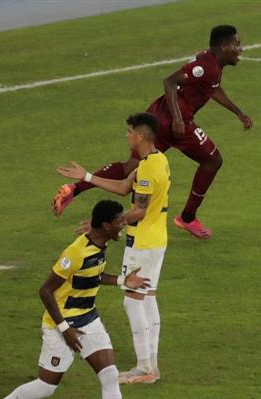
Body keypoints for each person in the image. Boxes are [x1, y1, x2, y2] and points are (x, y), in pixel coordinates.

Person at [52, 24, 253, 239]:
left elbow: (211, 87)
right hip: (176, 123)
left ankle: (75, 189)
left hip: (160, 116)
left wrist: (238, 112)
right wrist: (177, 119)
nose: (240, 48)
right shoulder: (206, 66)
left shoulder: (211, 65)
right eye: (236, 44)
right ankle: (187, 218)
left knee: (131, 168)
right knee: (213, 161)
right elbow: (170, 81)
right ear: (223, 47)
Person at [57, 112, 170, 384]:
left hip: (142, 242)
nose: (127, 136)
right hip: (157, 239)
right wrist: (86, 176)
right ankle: (151, 367)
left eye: (130, 132)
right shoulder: (157, 160)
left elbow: (139, 211)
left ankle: (145, 368)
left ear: (140, 136)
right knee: (148, 299)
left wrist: (105, 226)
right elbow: (122, 187)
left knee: (132, 302)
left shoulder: (147, 168)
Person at [3, 200, 149, 399]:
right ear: (106, 225)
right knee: (46, 387)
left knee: (110, 376)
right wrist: (64, 329)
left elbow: (93, 275)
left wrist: (124, 280)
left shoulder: (100, 244)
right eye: (119, 220)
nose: (124, 223)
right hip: (62, 324)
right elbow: (45, 291)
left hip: (88, 319)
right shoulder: (76, 253)